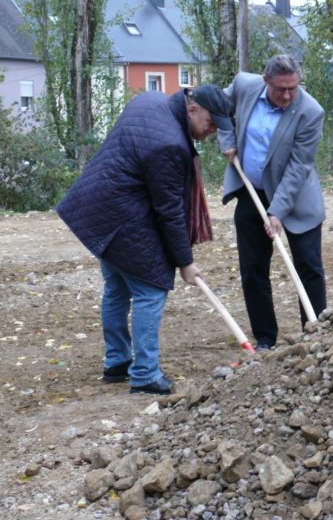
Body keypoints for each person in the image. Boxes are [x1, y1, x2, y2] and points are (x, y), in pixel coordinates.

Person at [57, 84, 233, 394]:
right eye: (211, 123)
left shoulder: (152, 100)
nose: (214, 131)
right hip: (121, 215)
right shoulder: (170, 145)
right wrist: (185, 263)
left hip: (98, 209)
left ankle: (117, 362)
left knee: (116, 287)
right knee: (150, 290)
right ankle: (145, 374)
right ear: (192, 109)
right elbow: (169, 212)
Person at [219, 55, 327, 350]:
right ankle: (265, 338)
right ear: (266, 81)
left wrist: (277, 211)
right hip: (251, 192)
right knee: (253, 268)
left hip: (296, 198)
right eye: (281, 89)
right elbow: (219, 108)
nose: (288, 95)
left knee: (308, 266)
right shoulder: (244, 85)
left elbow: (298, 167)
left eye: (293, 87)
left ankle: (315, 334)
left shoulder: (310, 111)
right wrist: (227, 138)